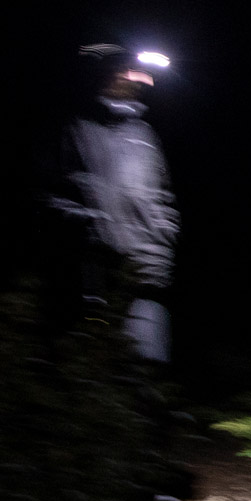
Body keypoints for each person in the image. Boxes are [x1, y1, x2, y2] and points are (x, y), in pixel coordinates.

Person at [48, 42, 178, 364]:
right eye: (125, 73)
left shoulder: (145, 135)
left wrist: (161, 242)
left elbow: (162, 199)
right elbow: (59, 197)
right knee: (100, 365)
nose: (134, 81)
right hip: (98, 281)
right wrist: (93, 232)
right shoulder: (79, 131)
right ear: (105, 76)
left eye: (137, 75)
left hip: (146, 280)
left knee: (146, 366)